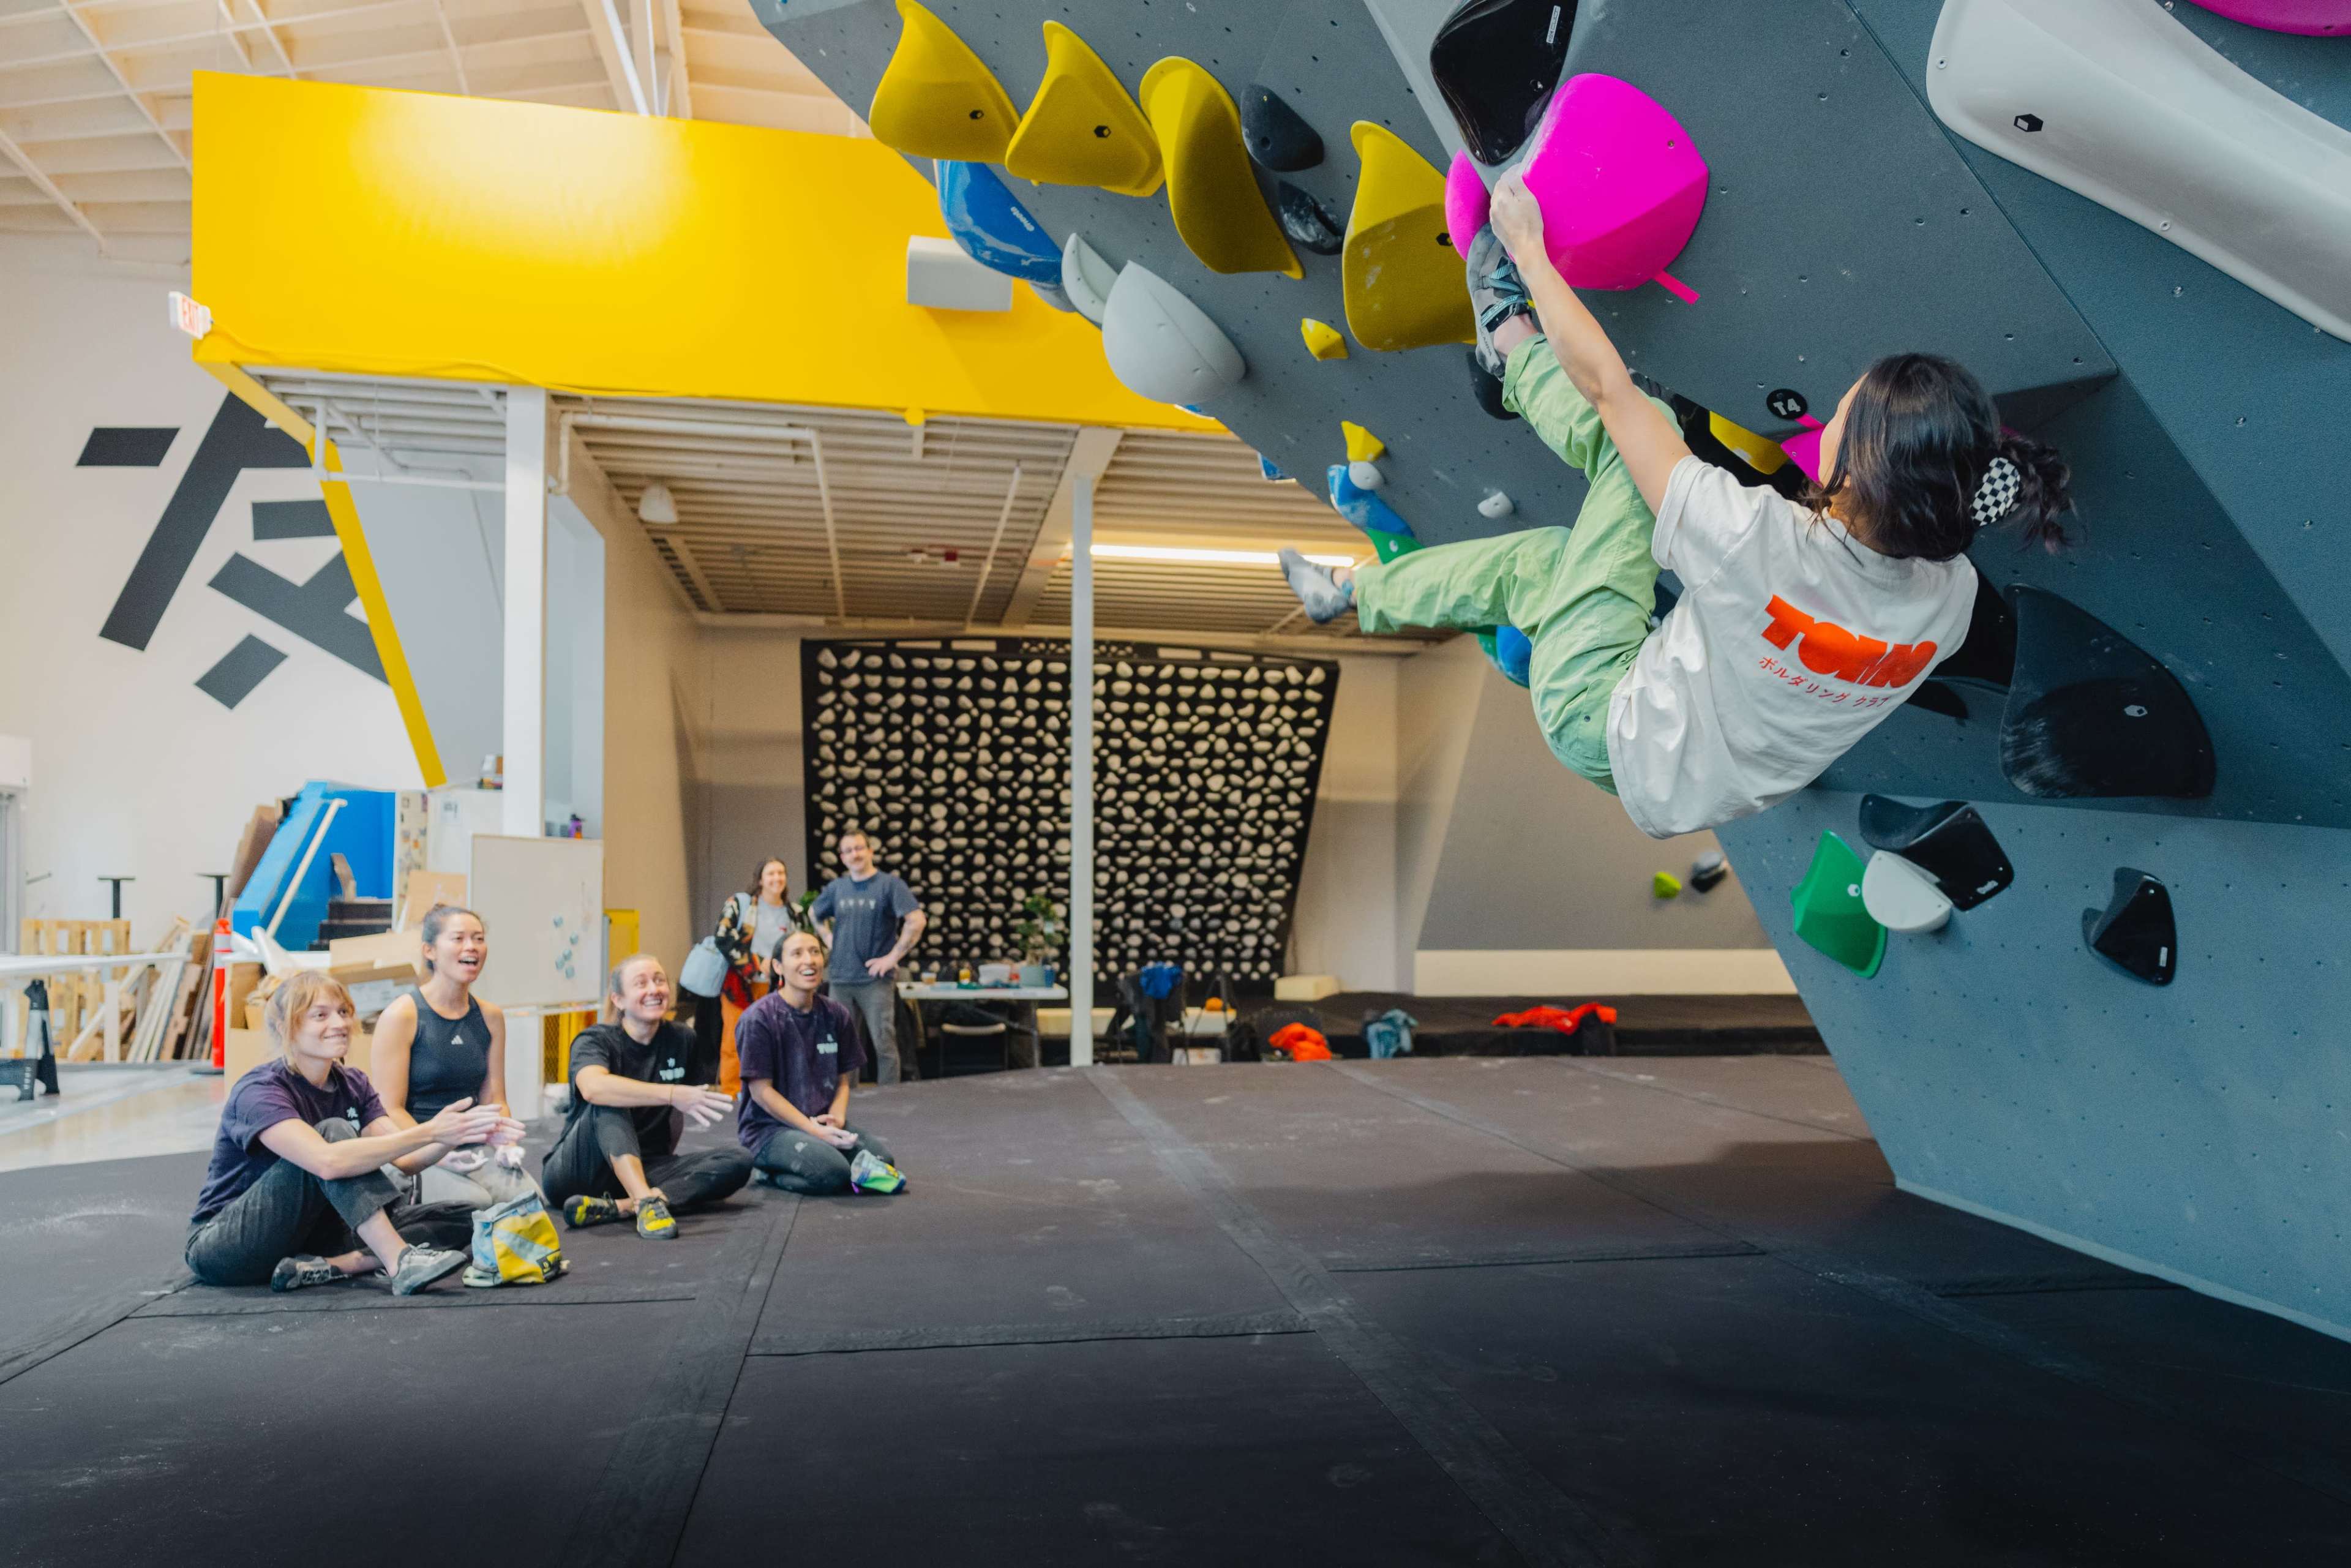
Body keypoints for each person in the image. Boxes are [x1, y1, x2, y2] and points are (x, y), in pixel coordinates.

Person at [1278, 170, 2072, 841]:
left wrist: (1525, 250)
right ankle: (1352, 593)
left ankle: (1503, 330)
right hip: (1701, 785)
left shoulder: (1752, 539)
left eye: (1841, 417)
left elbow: (1610, 392)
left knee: (1644, 432)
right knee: (1546, 564)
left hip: (1599, 715)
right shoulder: (1949, 600)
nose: (1828, 421)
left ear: (1862, 478)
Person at [185, 972, 520, 1295]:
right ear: (284, 1027)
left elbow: (405, 1160)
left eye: (343, 1012)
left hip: (313, 1234)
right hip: (227, 1244)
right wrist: (429, 1131)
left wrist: (450, 1137)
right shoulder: (260, 1090)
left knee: (463, 1216)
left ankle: (335, 1265)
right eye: (321, 1015)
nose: (340, 1023)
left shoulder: (352, 1082)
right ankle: (400, 1262)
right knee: (334, 1133)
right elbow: (327, 1162)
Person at [542, 953, 752, 1240]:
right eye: (641, 984)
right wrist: (671, 1093)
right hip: (578, 1173)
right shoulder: (595, 1039)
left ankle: (624, 1206)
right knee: (611, 1101)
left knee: (738, 1161)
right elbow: (594, 1087)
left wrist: (666, 1148)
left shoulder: (682, 1039)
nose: (654, 989)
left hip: (644, 1166)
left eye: (659, 981)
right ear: (618, 1000)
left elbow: (675, 1117)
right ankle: (647, 1202)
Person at [369, 904, 538, 1210]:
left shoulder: (490, 1016)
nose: (471, 947)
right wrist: (437, 1150)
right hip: (420, 1150)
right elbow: (388, 1109)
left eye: (478, 938)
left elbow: (495, 1097)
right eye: (459, 938)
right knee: (472, 1205)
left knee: (526, 1203)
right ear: (430, 951)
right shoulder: (402, 1015)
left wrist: (505, 1144)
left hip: (475, 1147)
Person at [735, 929, 898, 1193]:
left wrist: (837, 1118)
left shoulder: (836, 1013)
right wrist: (813, 1130)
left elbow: (842, 1081)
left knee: (882, 1164)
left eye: (814, 952)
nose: (809, 960)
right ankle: (769, 1173)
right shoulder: (759, 1019)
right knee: (833, 1174)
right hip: (770, 1131)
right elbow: (761, 1092)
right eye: (797, 954)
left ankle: (821, 1156)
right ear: (778, 966)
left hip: (822, 1122)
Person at [812, 830, 926, 1086]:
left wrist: (892, 957)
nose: (855, 854)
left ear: (870, 851)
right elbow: (814, 912)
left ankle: (890, 1099)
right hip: (841, 978)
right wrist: (828, 939)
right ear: (842, 857)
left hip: (876, 980)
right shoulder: (837, 887)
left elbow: (917, 920)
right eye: (849, 850)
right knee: (842, 1045)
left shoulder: (889, 885)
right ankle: (846, 1098)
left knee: (884, 1043)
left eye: (859, 848)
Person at [703, 857, 801, 1096]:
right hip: (740, 985)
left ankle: (774, 1092)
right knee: (734, 1039)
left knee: (778, 1039)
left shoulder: (794, 912)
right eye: (771, 874)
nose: (776, 878)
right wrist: (756, 963)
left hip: (777, 988)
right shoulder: (741, 904)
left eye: (781, 873)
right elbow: (723, 937)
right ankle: (733, 1093)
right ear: (760, 879)